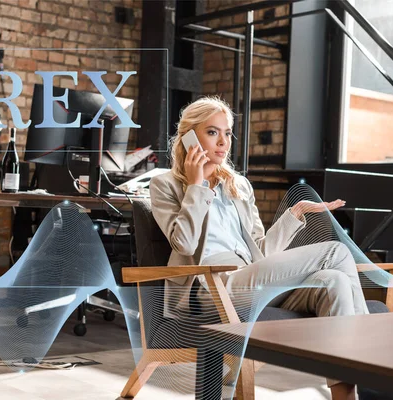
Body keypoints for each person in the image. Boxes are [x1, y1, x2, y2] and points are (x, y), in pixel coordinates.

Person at [149, 96, 368, 400]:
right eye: (212, 132)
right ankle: (375, 365)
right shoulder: (165, 185)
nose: (222, 142)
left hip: (250, 280)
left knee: (336, 280)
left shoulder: (238, 186)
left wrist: (296, 214)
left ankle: (348, 396)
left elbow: (262, 254)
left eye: (227, 133)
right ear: (189, 137)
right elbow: (183, 242)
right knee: (336, 252)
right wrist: (197, 186)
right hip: (211, 287)